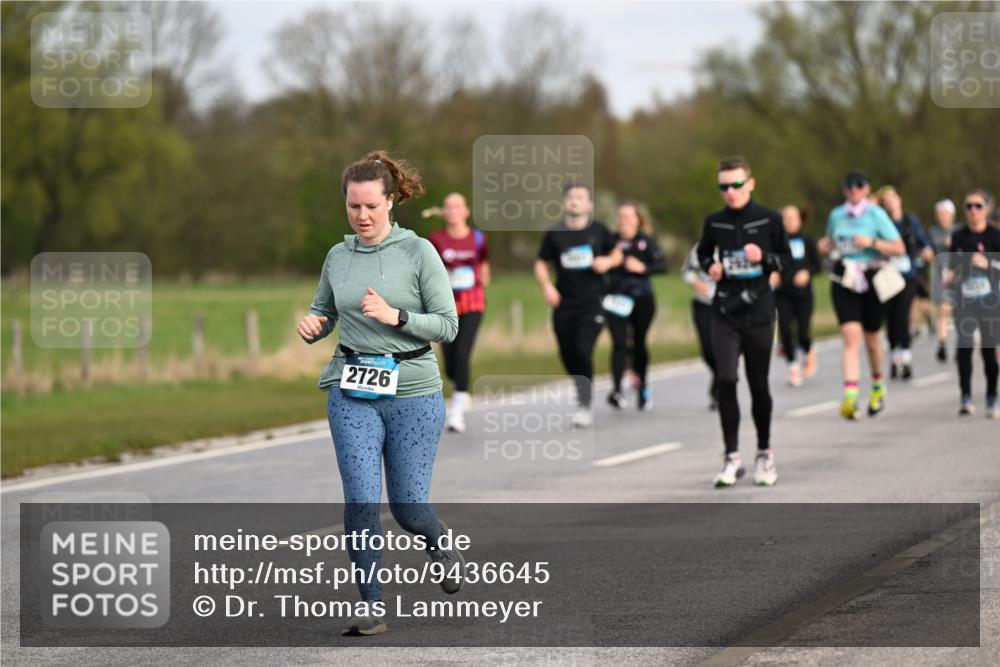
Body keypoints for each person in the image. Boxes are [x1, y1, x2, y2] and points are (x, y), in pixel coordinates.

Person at [298, 151, 463, 636]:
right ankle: (371, 605)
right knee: (362, 501)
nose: (362, 216)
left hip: (413, 391)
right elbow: (323, 311)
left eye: (371, 205)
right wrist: (313, 325)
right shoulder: (337, 255)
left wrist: (398, 317)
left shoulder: (419, 253)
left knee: (409, 506)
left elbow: (448, 326)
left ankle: (437, 539)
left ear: (392, 201)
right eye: (353, 207)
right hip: (351, 390)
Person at [696, 156, 789, 488]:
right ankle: (731, 457)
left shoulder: (769, 219)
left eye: (736, 184)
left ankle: (764, 452)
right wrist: (712, 266)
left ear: (750, 183)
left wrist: (763, 258)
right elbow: (703, 253)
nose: (730, 192)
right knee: (725, 380)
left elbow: (787, 261)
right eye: (724, 186)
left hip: (759, 311)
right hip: (724, 311)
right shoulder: (714, 222)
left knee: (758, 384)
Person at [817, 170, 905, 420]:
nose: (854, 190)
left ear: (867, 189)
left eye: (859, 185)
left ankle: (877, 385)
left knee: (872, 340)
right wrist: (825, 245)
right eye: (849, 186)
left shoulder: (876, 215)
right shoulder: (837, 215)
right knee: (850, 336)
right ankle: (851, 396)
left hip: (872, 279)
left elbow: (899, 248)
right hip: (845, 279)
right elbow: (831, 241)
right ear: (844, 190)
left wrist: (872, 243)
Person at [535, 183, 622, 428]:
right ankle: (580, 385)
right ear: (564, 203)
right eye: (571, 197)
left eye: (580, 197)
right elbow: (541, 264)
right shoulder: (555, 234)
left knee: (583, 350)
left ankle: (584, 403)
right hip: (563, 303)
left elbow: (618, 255)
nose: (575, 201)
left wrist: (607, 261)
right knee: (567, 353)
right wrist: (547, 286)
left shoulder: (600, 231)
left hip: (592, 302)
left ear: (589, 204)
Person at [428, 193, 491, 433]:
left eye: (457, 207)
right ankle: (460, 385)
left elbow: (484, 261)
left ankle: (457, 410)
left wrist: (484, 273)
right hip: (446, 305)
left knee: (463, 353)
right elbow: (430, 268)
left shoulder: (477, 237)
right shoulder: (436, 239)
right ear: (444, 213)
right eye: (448, 207)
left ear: (466, 211)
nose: (453, 211)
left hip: (473, 302)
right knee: (451, 362)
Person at [605, 201, 667, 411]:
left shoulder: (646, 241)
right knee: (619, 343)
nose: (624, 221)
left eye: (628, 217)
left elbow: (662, 266)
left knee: (638, 343)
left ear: (637, 220)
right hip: (616, 298)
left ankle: (643, 388)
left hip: (642, 298)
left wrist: (643, 268)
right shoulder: (610, 241)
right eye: (620, 217)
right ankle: (617, 390)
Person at [944, 188, 999, 419]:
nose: (973, 211)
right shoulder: (959, 236)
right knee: (964, 348)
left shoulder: (995, 236)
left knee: (989, 351)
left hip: (989, 302)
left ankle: (991, 397)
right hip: (965, 299)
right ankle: (966, 396)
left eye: (978, 206)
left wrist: (988, 265)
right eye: (968, 207)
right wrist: (950, 274)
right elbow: (952, 264)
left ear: (987, 209)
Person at [876, 186, 933, 380]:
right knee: (891, 317)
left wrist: (926, 249)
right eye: (886, 200)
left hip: (908, 275)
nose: (891, 202)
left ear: (899, 199)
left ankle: (906, 357)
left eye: (893, 198)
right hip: (888, 275)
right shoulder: (882, 222)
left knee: (903, 314)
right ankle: (894, 356)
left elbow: (922, 240)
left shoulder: (910, 221)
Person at [774, 204, 821, 386]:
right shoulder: (776, 242)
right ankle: (793, 368)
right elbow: (770, 262)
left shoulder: (806, 240)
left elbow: (818, 265)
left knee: (803, 331)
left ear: (800, 220)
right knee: (785, 329)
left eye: (793, 218)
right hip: (783, 293)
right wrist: (773, 273)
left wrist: (807, 273)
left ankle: (809, 350)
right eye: (786, 218)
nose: (790, 221)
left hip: (803, 294)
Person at [683, 243, 720, 410]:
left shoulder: (739, 246)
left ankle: (719, 391)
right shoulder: (701, 248)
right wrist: (699, 285)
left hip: (730, 305)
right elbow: (687, 272)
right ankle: (721, 376)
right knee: (708, 350)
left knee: (724, 349)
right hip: (704, 304)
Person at [929, 199, 958, 363]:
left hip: (960, 276)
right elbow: (928, 248)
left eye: (945, 213)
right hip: (941, 276)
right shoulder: (933, 232)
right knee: (943, 310)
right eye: (939, 214)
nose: (942, 217)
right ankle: (942, 342)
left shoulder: (959, 231)